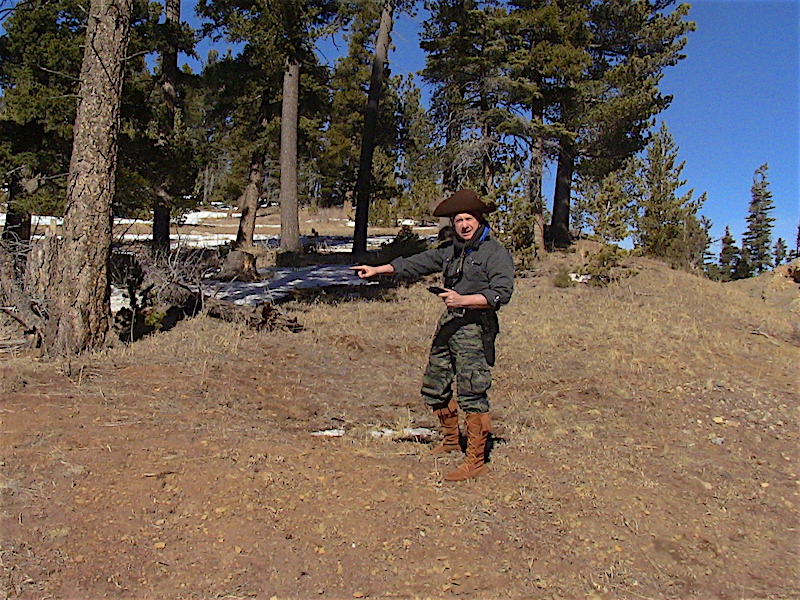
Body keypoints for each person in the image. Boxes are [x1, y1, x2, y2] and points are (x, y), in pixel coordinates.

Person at [351, 189, 514, 481]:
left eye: (468, 219)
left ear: (479, 220)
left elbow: (501, 294)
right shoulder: (452, 248)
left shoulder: (495, 252)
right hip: (449, 324)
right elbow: (418, 262)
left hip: (476, 328)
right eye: (458, 220)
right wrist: (378, 269)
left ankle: (476, 461)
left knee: (472, 392)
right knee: (434, 384)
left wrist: (464, 300)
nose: (463, 225)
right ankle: (451, 440)